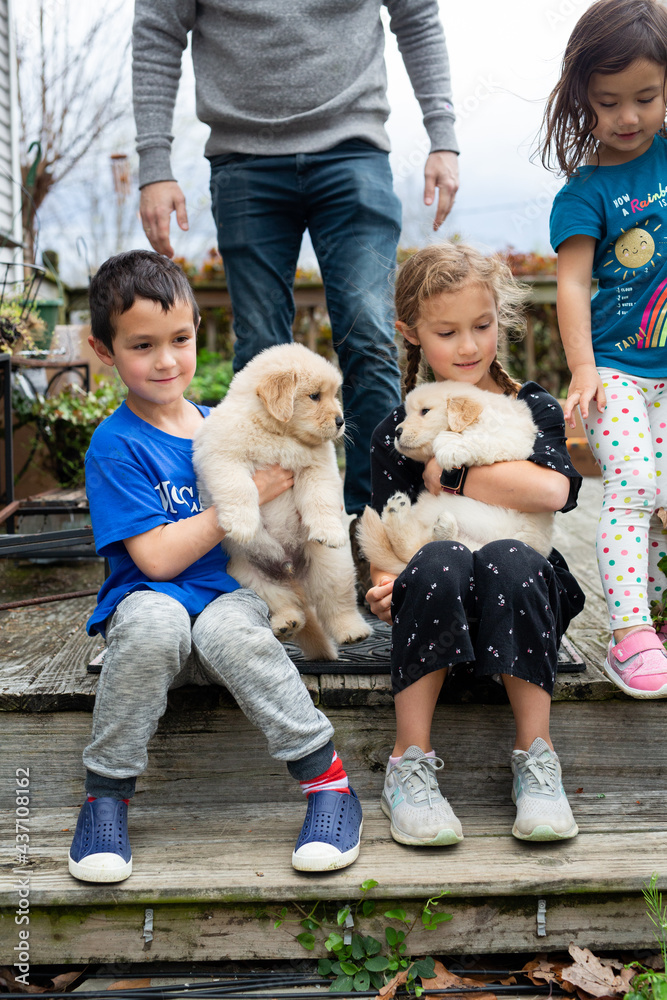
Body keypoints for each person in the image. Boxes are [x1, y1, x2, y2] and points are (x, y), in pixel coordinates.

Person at [68, 249, 362, 883]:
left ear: (197, 331)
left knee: (229, 630)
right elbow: (155, 558)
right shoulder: (117, 444)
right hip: (152, 600)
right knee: (153, 624)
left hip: (234, 596)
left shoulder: (218, 424)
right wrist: (245, 495)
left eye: (179, 339)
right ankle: (106, 796)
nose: (167, 359)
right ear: (105, 350)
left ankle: (329, 783)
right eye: (143, 345)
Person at [132, 0, 460, 550]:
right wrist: (153, 164)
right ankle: (274, 535)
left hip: (353, 148)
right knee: (260, 351)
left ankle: (374, 531)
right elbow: (157, 33)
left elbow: (418, 16)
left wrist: (443, 134)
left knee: (369, 334)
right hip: (243, 158)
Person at [365, 242, 586, 846]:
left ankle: (536, 761)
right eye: (447, 331)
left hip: (523, 590)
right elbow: (388, 531)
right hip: (437, 596)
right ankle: (409, 763)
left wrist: (457, 475)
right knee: (440, 556)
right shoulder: (400, 431)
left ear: (500, 320)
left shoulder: (529, 404)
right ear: (411, 334)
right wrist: (384, 585)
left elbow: (553, 491)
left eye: (482, 326)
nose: (468, 346)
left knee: (508, 557)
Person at [542, 0, 667, 698]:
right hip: (615, 372)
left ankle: (657, 616)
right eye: (608, 102)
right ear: (581, 98)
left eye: (644, 98)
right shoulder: (584, 191)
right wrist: (584, 366)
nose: (627, 117)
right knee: (633, 486)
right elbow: (570, 284)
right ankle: (628, 633)